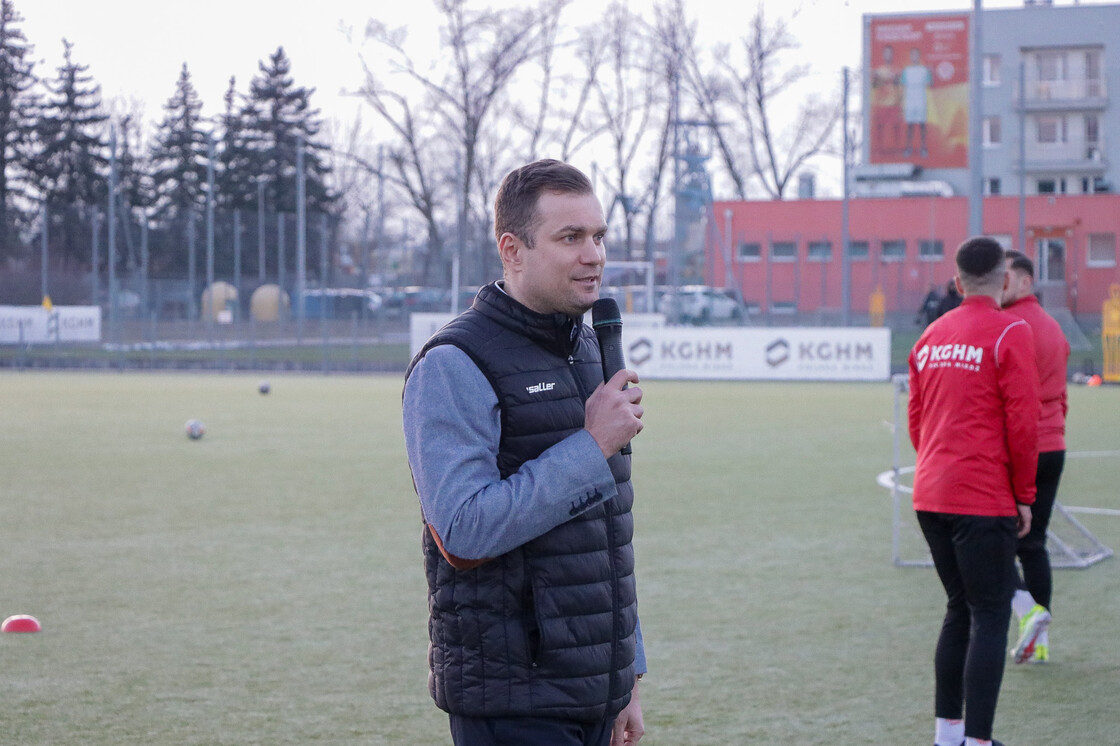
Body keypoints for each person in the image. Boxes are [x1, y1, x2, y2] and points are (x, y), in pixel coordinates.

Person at [402, 159, 647, 746]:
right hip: (515, 700)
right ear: (513, 250)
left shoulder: (589, 348)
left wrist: (626, 673)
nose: (594, 255)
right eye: (571, 238)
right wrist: (591, 447)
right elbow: (463, 530)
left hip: (595, 691)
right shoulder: (454, 364)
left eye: (598, 236)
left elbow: (606, 536)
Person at [908, 236, 1040, 746]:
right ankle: (979, 742)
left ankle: (949, 736)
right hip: (981, 497)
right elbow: (1022, 424)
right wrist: (1024, 495)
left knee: (959, 607)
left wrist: (938, 467)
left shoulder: (931, 336)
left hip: (931, 493)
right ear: (1005, 280)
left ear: (958, 282)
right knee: (989, 613)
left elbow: (917, 420)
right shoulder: (1011, 332)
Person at [1002, 250, 1070, 664]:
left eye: (1005, 276)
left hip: (1022, 448)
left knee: (990, 546)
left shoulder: (1010, 326)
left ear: (1026, 281)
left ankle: (1027, 613)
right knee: (1034, 545)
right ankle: (1040, 639)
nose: (999, 283)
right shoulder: (1053, 327)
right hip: (1053, 445)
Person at [902, 46, 932, 159]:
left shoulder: (924, 70)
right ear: (910, 56)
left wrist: (931, 73)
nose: (914, 57)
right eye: (912, 54)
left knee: (922, 125)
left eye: (916, 54)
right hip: (910, 101)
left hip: (921, 100)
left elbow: (930, 83)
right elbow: (902, 84)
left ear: (919, 56)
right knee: (910, 125)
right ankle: (908, 148)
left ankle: (923, 148)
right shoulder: (906, 70)